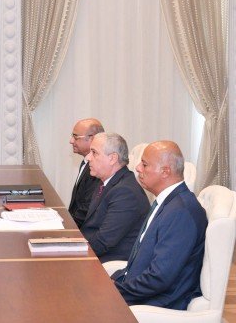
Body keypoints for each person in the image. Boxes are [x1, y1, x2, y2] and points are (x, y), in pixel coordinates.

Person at [112, 141, 207, 309]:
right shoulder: (168, 202)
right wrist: (113, 283)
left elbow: (159, 278)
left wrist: (114, 291)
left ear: (165, 171)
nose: (138, 168)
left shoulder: (181, 212)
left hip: (155, 304)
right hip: (138, 292)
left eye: (144, 164)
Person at [80, 132, 150, 262]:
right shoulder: (106, 181)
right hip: (93, 252)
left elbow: (103, 242)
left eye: (94, 153)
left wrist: (71, 250)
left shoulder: (125, 193)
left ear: (112, 158)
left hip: (108, 263)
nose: (88, 157)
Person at [68, 118, 104, 227]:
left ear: (92, 139)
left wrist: (67, 228)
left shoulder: (98, 168)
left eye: (76, 137)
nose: (71, 141)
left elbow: (86, 209)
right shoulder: (85, 162)